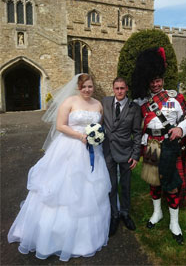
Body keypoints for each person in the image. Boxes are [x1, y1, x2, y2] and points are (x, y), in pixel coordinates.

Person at [8, 74, 111, 261]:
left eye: (90, 86)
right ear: (78, 88)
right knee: (61, 189)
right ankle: (53, 237)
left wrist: (94, 137)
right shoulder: (69, 102)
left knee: (87, 190)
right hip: (69, 148)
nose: (87, 90)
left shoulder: (98, 105)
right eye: (84, 87)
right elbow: (60, 125)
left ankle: (83, 239)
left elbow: (99, 126)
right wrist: (80, 136)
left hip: (91, 151)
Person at [131, 47, 186, 245]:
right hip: (151, 145)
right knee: (153, 181)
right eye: (152, 81)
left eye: (158, 80)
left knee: (172, 185)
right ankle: (157, 213)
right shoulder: (142, 102)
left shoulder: (174, 99)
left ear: (163, 80)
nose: (156, 84)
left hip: (169, 146)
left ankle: (175, 223)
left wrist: (180, 130)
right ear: (147, 81)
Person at [102, 77, 142, 236]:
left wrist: (136, 155)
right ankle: (114, 214)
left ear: (127, 89)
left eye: (122, 88)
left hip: (126, 152)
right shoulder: (105, 102)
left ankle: (125, 212)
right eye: (116, 88)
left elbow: (137, 133)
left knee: (125, 185)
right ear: (113, 89)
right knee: (111, 185)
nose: (119, 91)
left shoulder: (134, 108)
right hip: (108, 151)